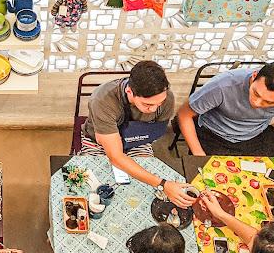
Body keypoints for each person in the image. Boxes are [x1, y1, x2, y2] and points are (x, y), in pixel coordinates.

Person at [82, 61, 196, 208]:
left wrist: (157, 183)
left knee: (144, 190)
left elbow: (156, 130)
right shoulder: (104, 100)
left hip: (139, 140)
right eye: (147, 105)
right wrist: (163, 184)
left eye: (159, 103)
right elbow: (116, 157)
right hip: (99, 142)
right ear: (129, 91)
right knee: (93, 187)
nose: (154, 109)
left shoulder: (166, 98)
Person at [176, 62, 274, 157]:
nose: (257, 102)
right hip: (214, 134)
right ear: (254, 76)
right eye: (256, 92)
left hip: (257, 135)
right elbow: (184, 114)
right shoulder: (222, 86)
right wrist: (199, 156)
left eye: (269, 102)